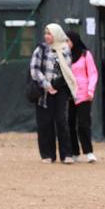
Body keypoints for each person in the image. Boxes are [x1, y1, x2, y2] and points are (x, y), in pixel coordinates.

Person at [30, 23, 76, 164]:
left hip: (60, 89)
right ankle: (47, 154)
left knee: (61, 121)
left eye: (50, 33)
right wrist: (46, 85)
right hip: (44, 91)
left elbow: (67, 71)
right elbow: (34, 69)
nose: (47, 36)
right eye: (46, 33)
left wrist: (55, 85)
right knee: (45, 122)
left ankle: (66, 154)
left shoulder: (65, 49)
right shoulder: (41, 49)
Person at [66, 31, 98, 163]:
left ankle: (89, 152)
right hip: (69, 95)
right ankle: (74, 152)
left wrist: (91, 90)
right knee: (70, 124)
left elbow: (93, 73)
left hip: (84, 94)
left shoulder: (86, 54)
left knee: (83, 124)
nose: (66, 43)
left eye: (68, 41)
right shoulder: (65, 56)